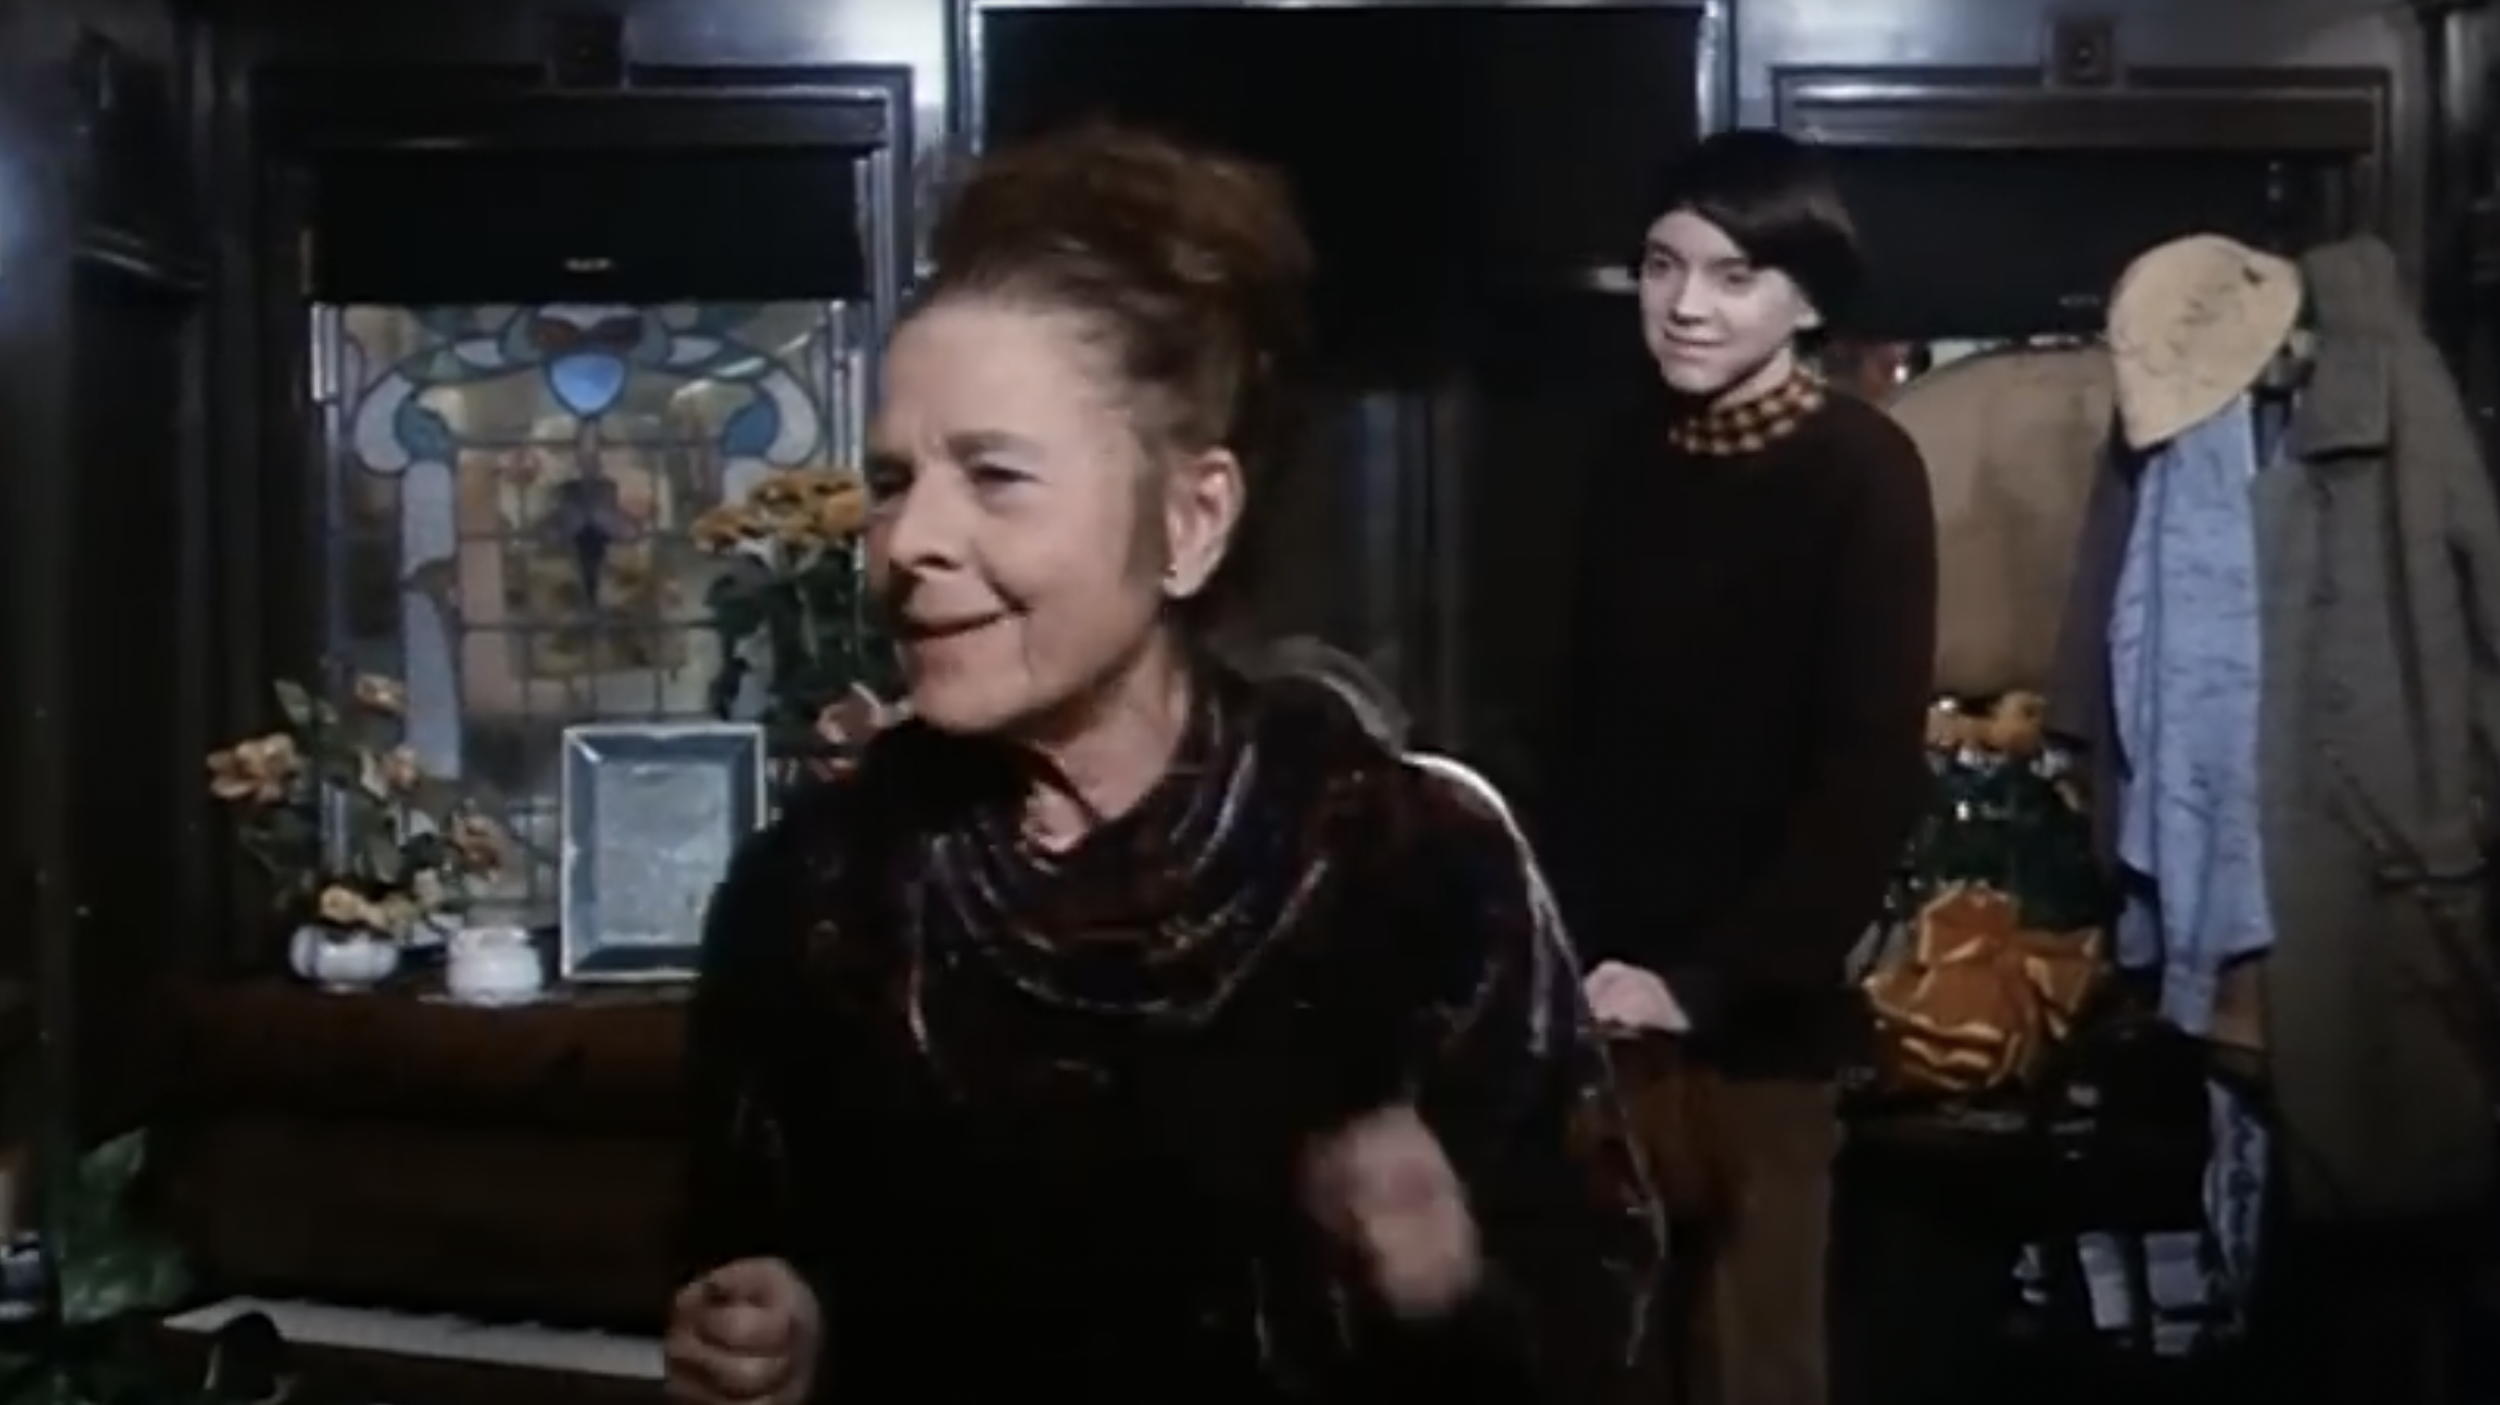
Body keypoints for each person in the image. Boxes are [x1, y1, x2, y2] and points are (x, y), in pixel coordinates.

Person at [661, 124, 1666, 1405]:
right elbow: (744, 1237)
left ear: (1191, 518)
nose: (910, 541)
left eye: (994, 476)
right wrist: (772, 1329)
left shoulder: (1406, 867)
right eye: (893, 480)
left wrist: (1446, 1287)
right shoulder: (814, 884)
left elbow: (1600, 1327)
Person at [1542, 129, 1938, 1405]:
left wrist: (1705, 983)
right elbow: (1570, 731)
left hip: (1758, 1026)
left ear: (1805, 300)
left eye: (1731, 274)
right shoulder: (1618, 457)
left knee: (1754, 1363)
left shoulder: (1861, 469)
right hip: (1602, 1005)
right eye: (1662, 267)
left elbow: (1864, 777)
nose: (1686, 305)